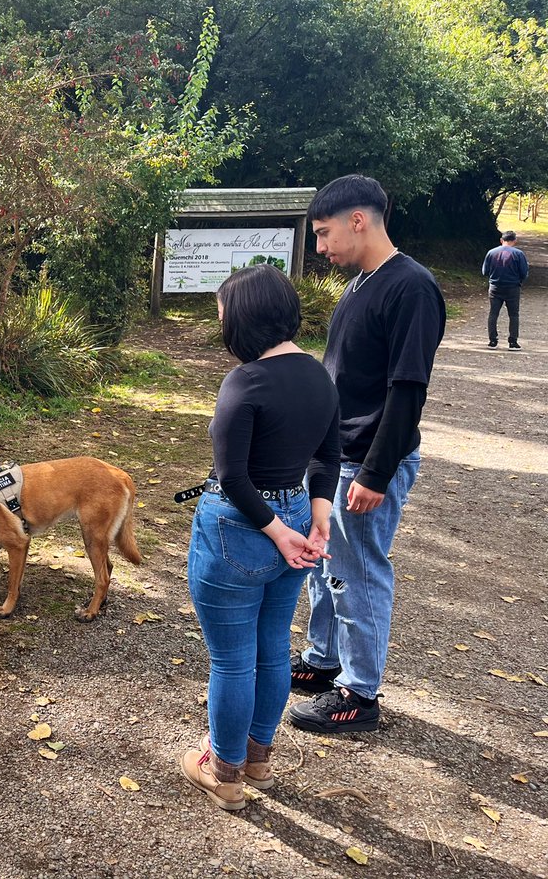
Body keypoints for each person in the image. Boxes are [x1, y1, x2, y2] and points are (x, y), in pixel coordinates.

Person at [288, 175, 446, 734]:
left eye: (324, 233)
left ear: (358, 220)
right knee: (324, 565)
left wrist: (376, 472)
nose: (320, 247)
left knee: (358, 572)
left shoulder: (411, 287)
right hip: (336, 456)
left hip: (369, 461)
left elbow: (408, 389)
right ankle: (323, 660)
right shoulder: (360, 284)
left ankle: (359, 692)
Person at [180, 264, 340, 811]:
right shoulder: (319, 375)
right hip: (296, 511)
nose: (221, 322)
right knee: (272, 649)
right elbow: (329, 456)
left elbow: (232, 476)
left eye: (223, 312)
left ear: (244, 317)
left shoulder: (244, 381)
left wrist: (275, 532)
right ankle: (258, 760)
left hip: (240, 526)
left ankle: (223, 772)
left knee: (231, 660)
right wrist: (316, 518)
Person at [481, 230, 529, 349]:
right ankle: (513, 342)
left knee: (493, 313)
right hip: (512, 287)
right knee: (513, 315)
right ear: (515, 241)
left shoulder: (491, 252)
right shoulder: (519, 254)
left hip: (495, 287)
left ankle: (492, 341)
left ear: (501, 240)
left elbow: (485, 271)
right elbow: (524, 273)